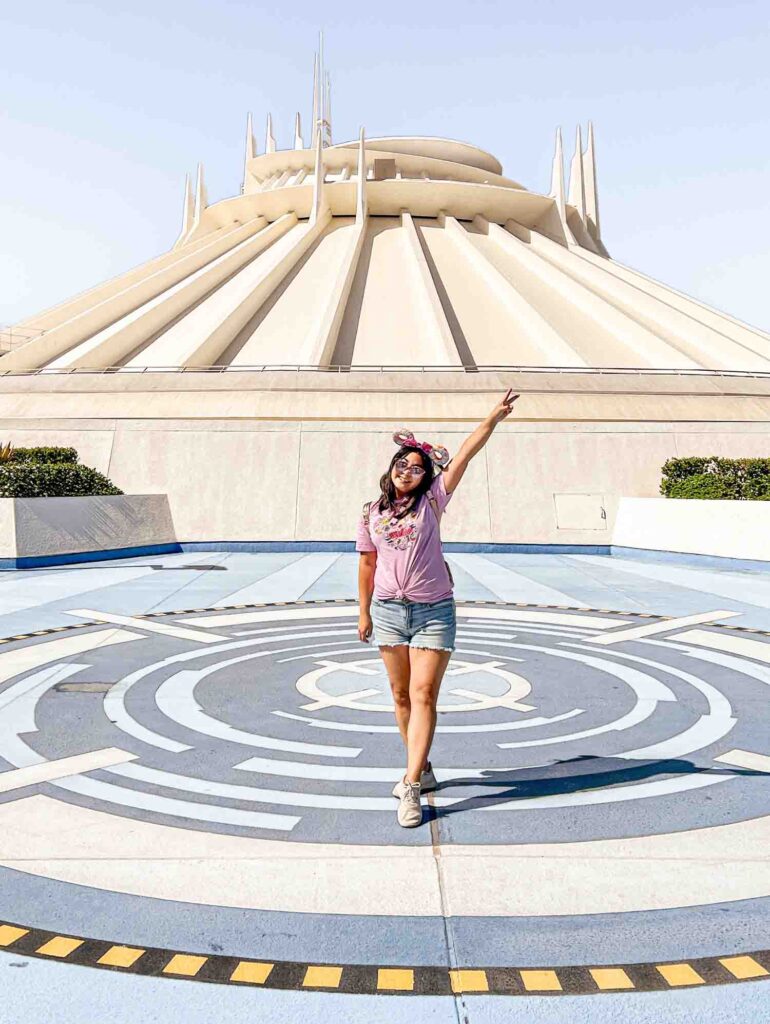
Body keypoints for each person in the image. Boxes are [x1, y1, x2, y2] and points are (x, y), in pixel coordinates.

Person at [356, 389, 520, 827]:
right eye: (401, 464)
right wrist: (364, 611)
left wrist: (493, 417)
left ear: (427, 476)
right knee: (400, 695)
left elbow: (465, 453)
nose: (407, 470)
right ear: (390, 471)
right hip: (389, 609)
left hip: (433, 611)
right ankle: (423, 767)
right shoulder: (371, 511)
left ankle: (410, 786)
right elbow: (367, 562)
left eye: (416, 467)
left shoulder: (433, 500)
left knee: (424, 693)